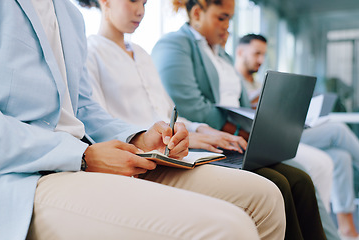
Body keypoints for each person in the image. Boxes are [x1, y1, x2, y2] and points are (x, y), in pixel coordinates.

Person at [0, 0, 287, 239]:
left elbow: (82, 110)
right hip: (9, 182)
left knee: (265, 197)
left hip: (79, 164)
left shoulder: (67, 13)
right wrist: (80, 157)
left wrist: (138, 138)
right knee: (228, 228)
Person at [79, 0, 323, 239]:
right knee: (276, 183)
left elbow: (167, 112)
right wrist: (172, 136)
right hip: (145, 155)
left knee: (299, 180)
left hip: (176, 148)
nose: (140, 11)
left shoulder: (142, 54)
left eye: (145, 3)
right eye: (133, 1)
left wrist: (203, 130)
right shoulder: (90, 53)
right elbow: (98, 123)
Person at [151, 0, 329, 239]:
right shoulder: (174, 45)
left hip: (240, 136)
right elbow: (192, 106)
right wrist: (239, 131)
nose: (228, 26)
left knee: (302, 179)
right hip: (217, 139)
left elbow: (242, 104)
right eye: (221, 17)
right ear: (197, 13)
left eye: (230, 19)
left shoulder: (221, 54)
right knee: (285, 182)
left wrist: (260, 123)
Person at [236, 33, 359, 240]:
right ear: (240, 51)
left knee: (341, 157)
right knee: (337, 130)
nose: (260, 60)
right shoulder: (234, 81)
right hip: (267, 134)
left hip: (284, 126)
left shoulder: (259, 84)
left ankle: (345, 229)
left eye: (263, 55)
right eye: (256, 53)